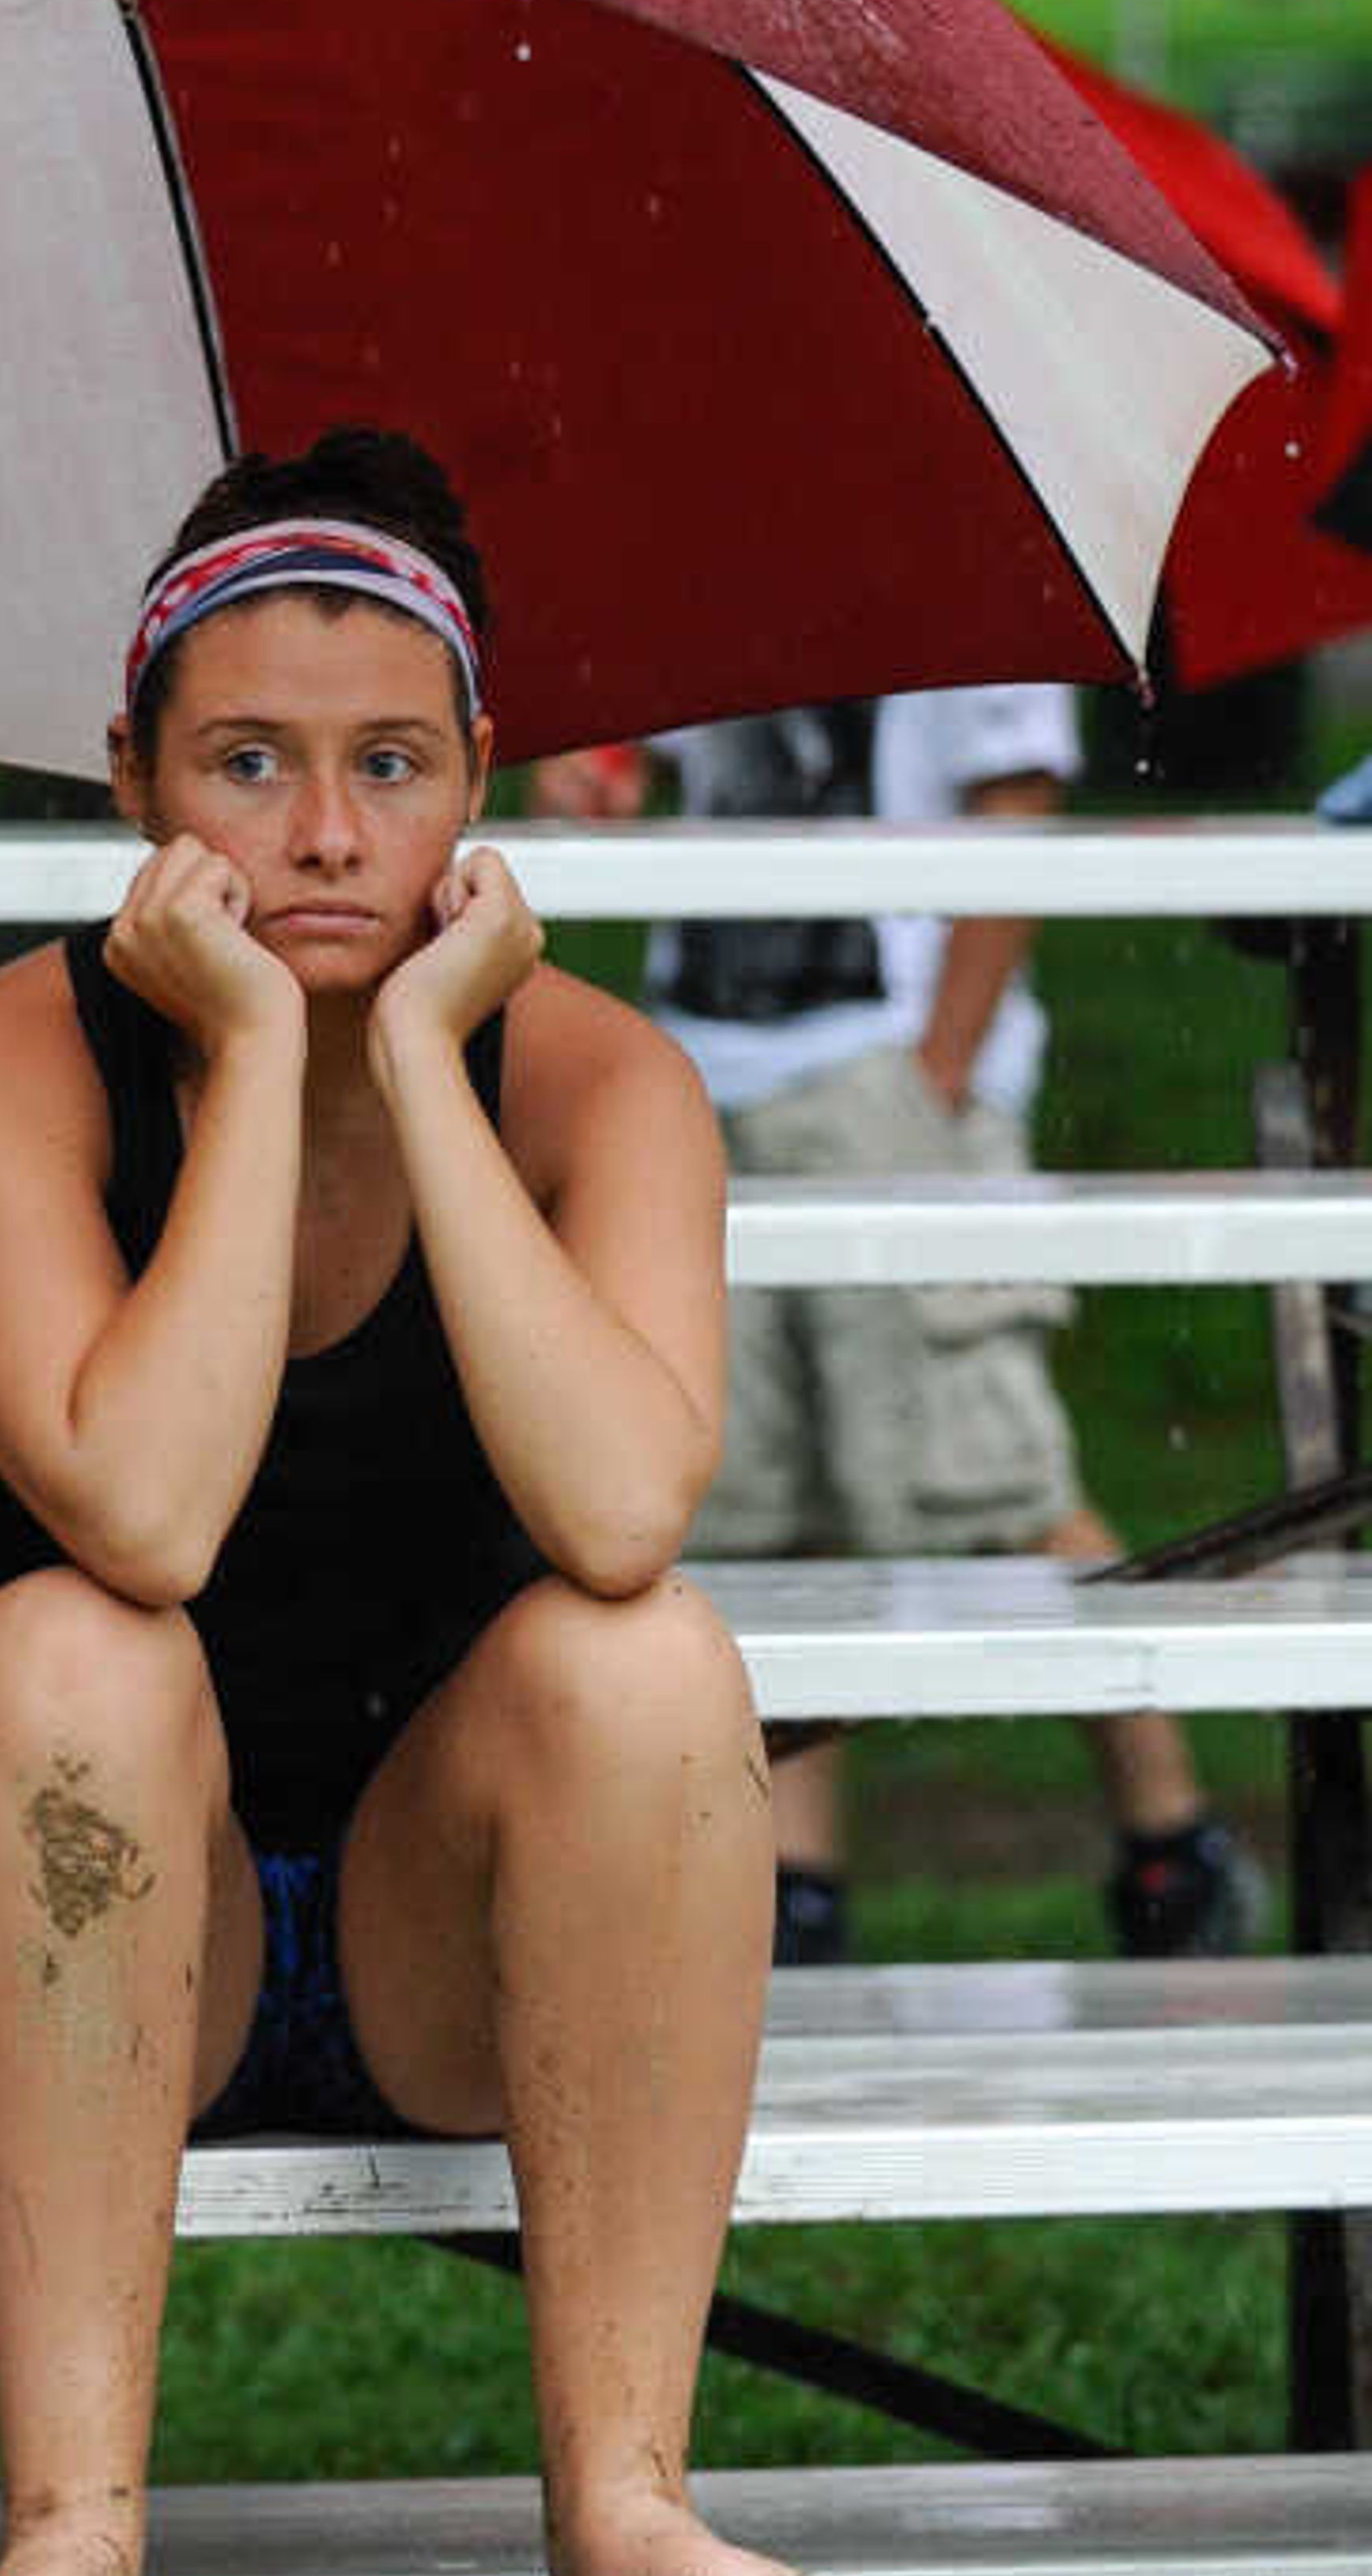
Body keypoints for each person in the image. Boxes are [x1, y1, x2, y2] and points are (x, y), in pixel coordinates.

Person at [0, 427, 860, 2576]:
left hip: (436, 1935)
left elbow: (615, 1512)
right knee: (83, 1650)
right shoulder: (0, 1062)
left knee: (652, 1660)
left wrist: (411, 1052)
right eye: (248, 766)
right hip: (44, 1918)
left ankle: (622, 2502)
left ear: (482, 776)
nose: (317, 834)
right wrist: (250, 1073)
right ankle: (76, 2529)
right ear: (130, 779)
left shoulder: (597, 1082)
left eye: (389, 766)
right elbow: (149, 1514)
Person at [532, 697, 1260, 1965]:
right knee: (756, 1504)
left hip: (888, 1071)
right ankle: (796, 1879)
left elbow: (1019, 799)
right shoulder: (699, 555)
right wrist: (599, 782)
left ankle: (1171, 1836)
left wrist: (939, 1070)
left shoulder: (958, 543)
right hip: (696, 1066)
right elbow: (661, 768)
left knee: (992, 1479)